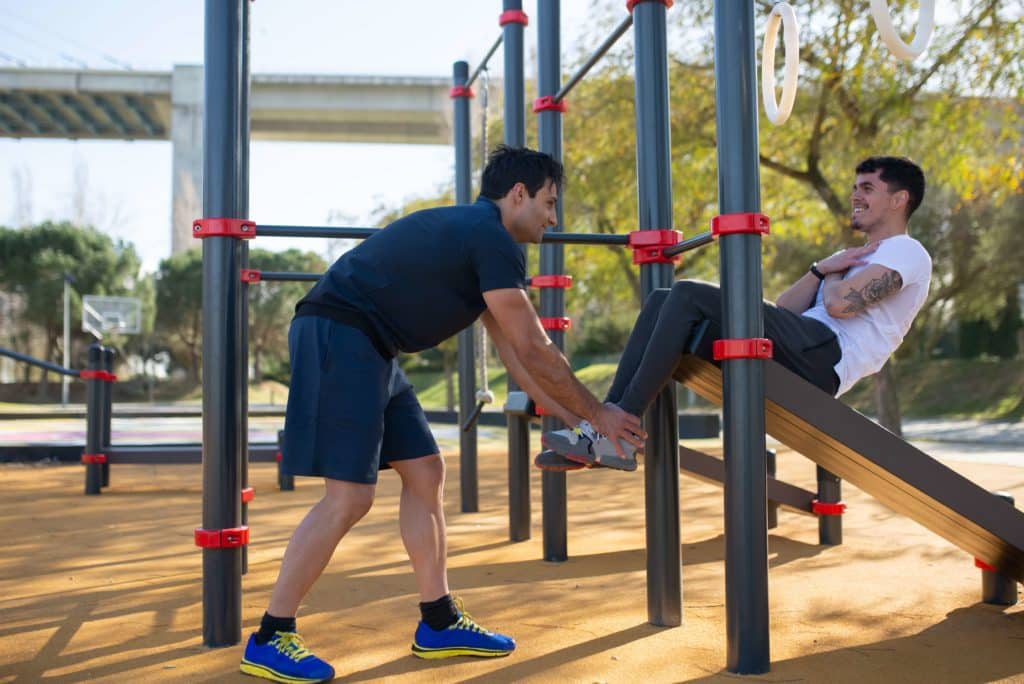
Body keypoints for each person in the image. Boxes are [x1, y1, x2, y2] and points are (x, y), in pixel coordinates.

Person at [240, 145, 644, 683]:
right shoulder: (492, 238)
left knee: (426, 471)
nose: (553, 217)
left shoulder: (477, 241)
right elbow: (534, 346)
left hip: (373, 343)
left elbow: (516, 355)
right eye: (549, 202)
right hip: (340, 331)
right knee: (350, 496)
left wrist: (583, 430)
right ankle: (271, 635)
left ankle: (438, 621)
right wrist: (601, 413)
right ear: (517, 194)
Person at [539, 155, 931, 472]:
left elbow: (839, 305)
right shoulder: (855, 258)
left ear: (899, 200)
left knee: (690, 293)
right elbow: (787, 307)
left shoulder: (905, 251)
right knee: (663, 298)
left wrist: (833, 274)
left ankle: (618, 429)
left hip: (828, 357)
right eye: (855, 187)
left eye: (868, 188)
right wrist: (819, 269)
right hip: (806, 342)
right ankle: (607, 426)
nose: (855, 196)